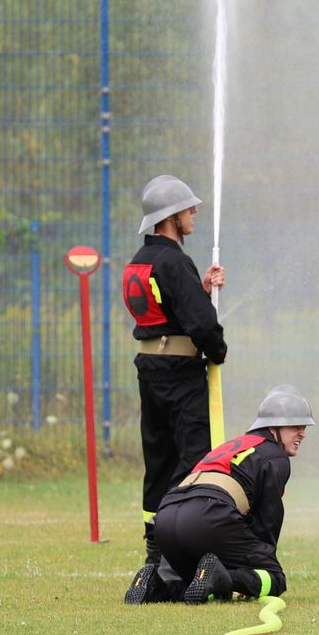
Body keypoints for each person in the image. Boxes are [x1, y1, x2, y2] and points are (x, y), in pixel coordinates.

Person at [120, 173, 227, 602]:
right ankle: (183, 561)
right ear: (170, 218)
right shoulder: (174, 261)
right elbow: (202, 325)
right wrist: (217, 350)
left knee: (158, 461)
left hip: (150, 368)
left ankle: (153, 559)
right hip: (182, 374)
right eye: (188, 209)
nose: (194, 213)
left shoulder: (141, 260)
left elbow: (164, 309)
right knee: (194, 461)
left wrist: (198, 293)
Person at [131, 384, 313, 606]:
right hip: (207, 517)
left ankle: (156, 587)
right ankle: (223, 579)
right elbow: (268, 521)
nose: (302, 433)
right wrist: (256, 568)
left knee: (197, 578)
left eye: (303, 426)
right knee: (275, 578)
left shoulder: (234, 445)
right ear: (274, 427)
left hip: (167, 518)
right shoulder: (275, 457)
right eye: (296, 426)